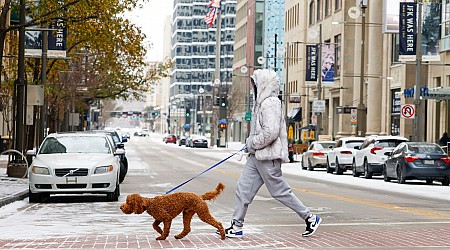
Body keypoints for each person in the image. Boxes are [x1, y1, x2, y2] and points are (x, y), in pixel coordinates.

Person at [222, 69, 321, 238]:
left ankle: (310, 217)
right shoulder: (260, 103)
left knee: (279, 191)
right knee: (243, 190)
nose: (252, 86)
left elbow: (271, 132)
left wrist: (252, 143)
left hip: (268, 157)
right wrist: (251, 146)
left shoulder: (270, 103)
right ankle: (236, 226)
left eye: (255, 83)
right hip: (256, 156)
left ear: (264, 84)